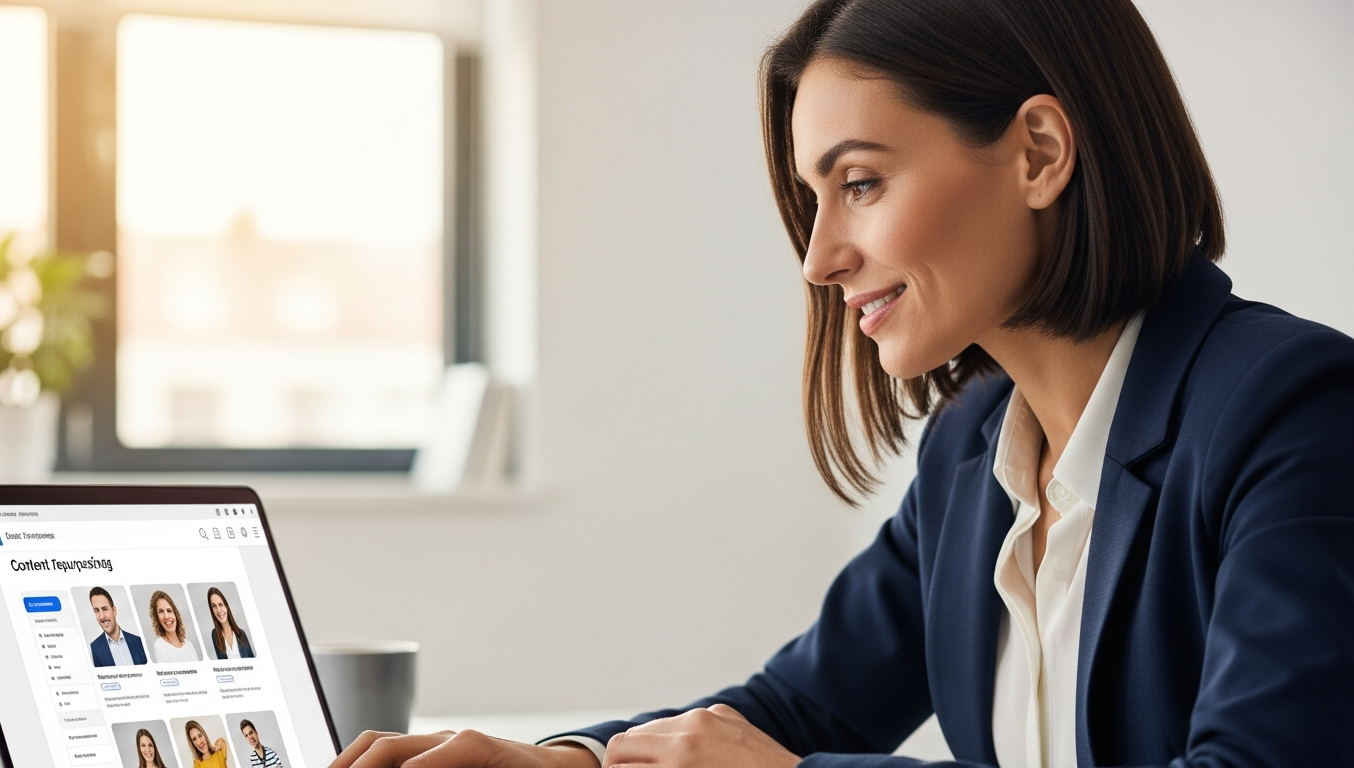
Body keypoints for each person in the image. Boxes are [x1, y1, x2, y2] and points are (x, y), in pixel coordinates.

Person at [329, 0, 1354, 766]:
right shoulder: (972, 449)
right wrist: (564, 762)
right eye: (813, 198)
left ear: (1037, 153)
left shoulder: (1292, 414)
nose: (819, 257)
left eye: (859, 183)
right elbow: (799, 711)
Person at [87, 587, 147, 667]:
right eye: (97, 610)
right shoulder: (95, 647)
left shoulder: (138, 641)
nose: (101, 616)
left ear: (114, 611)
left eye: (105, 609)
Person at [148, 590, 202, 663]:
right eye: (161, 611)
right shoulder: (159, 646)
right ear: (156, 617)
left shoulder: (189, 645)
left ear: (175, 614)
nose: (166, 616)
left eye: (169, 610)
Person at [207, 588, 255, 660]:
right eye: (214, 606)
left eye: (220, 604)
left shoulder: (241, 634)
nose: (218, 610)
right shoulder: (215, 635)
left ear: (226, 606)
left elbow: (252, 661)